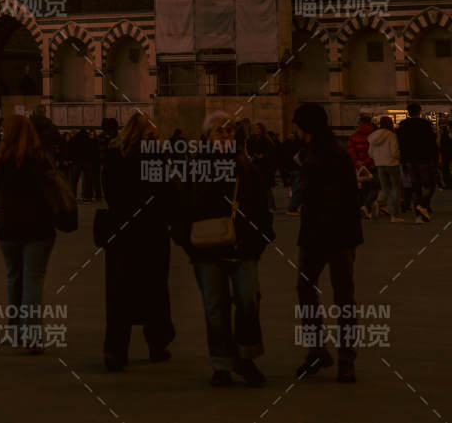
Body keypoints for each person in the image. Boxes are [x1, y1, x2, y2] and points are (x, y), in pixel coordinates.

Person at [173, 111, 274, 388]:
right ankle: (221, 363)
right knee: (215, 307)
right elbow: (180, 207)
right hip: (205, 249)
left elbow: (261, 206)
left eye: (229, 131)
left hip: (242, 247)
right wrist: (187, 241)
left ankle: (246, 357)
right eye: (220, 131)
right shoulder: (194, 167)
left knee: (248, 300)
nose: (226, 136)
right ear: (207, 137)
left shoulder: (246, 166)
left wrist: (260, 239)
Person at [290, 103, 362, 383]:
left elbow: (314, 194)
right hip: (343, 235)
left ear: (306, 127)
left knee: (307, 290)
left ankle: (319, 350)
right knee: (344, 296)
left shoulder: (318, 155)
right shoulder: (333, 150)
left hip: (321, 234)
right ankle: (345, 358)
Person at [0, 114, 65, 352]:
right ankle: (32, 336)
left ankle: (15, 331)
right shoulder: (41, 159)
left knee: (13, 277)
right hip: (38, 228)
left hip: (6, 228)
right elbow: (52, 193)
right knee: (34, 279)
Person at [100, 113, 174, 371]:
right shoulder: (154, 157)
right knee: (154, 289)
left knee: (118, 292)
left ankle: (115, 351)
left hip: (120, 231)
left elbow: (108, 191)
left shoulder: (113, 157)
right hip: (150, 232)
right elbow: (165, 192)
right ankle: (157, 344)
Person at [397, 102, 439, 222]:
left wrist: (403, 161)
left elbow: (401, 145)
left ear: (408, 112)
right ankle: (423, 205)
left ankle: (418, 216)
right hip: (423, 158)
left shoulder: (403, 125)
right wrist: (435, 160)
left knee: (416, 186)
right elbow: (432, 144)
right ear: (420, 111)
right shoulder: (426, 124)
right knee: (429, 185)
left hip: (409, 160)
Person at [367, 116, 403, 221]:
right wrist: (399, 157)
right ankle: (395, 215)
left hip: (379, 164)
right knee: (395, 189)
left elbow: (370, 153)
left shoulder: (373, 136)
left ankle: (377, 203)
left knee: (384, 188)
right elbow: (394, 152)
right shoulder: (391, 135)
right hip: (392, 164)